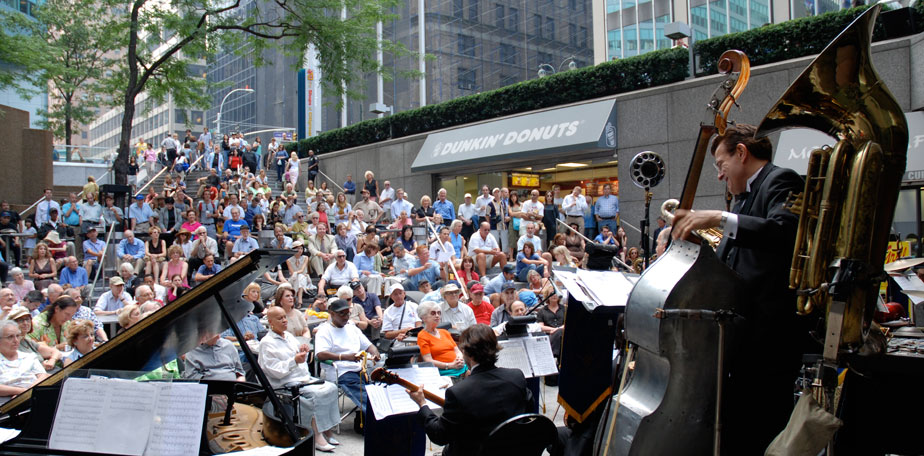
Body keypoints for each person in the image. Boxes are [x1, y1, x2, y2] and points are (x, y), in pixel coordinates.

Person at [670, 124, 805, 454]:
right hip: (744, 337)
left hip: (769, 337)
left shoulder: (781, 180)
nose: (719, 174)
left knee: (761, 429)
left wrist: (718, 217)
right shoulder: (743, 198)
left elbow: (782, 230)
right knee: (738, 428)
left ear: (741, 152)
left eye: (720, 163)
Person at [406, 324, 533, 455]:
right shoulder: (516, 376)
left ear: (467, 353)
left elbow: (440, 435)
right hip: (513, 448)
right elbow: (528, 410)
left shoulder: (458, 392)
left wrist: (423, 405)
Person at [259, 307, 341, 452]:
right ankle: (316, 435)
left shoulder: (289, 336)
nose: (284, 320)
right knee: (315, 395)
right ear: (270, 322)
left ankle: (327, 429)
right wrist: (294, 361)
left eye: (285, 317)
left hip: (302, 377)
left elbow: (300, 355)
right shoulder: (267, 343)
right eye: (280, 318)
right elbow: (274, 370)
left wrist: (303, 350)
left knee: (331, 387)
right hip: (284, 382)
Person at [314, 299, 381, 431]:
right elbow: (320, 354)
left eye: (347, 313)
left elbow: (369, 345)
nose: (345, 317)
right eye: (342, 314)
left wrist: (375, 353)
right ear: (331, 313)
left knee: (379, 390)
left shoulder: (352, 327)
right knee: (368, 397)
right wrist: (344, 357)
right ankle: (379, 423)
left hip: (360, 369)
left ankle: (377, 420)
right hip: (341, 371)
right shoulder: (324, 330)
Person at [415, 300, 467, 376]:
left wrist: (460, 359)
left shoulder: (444, 332)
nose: (437, 315)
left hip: (460, 367)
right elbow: (428, 360)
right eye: (433, 313)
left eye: (439, 313)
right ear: (423, 317)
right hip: (443, 371)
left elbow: (457, 351)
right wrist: (450, 365)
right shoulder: (422, 335)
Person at [0, 319, 49, 398]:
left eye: (18, 336)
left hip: (32, 398)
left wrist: (27, 393)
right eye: (10, 337)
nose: (16, 340)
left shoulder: (29, 357)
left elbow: (43, 376)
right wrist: (20, 392)